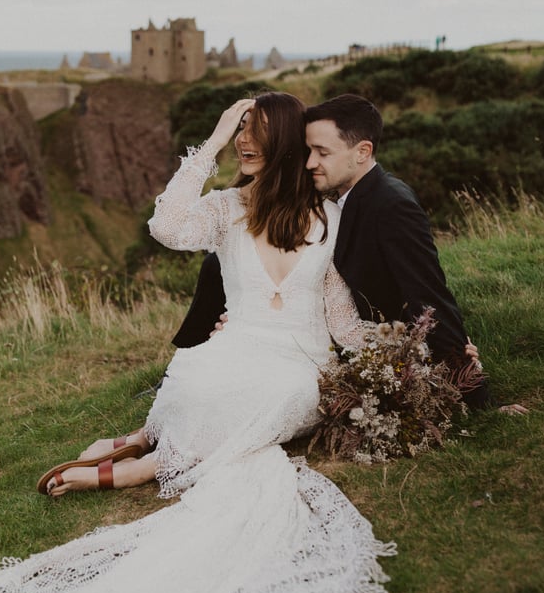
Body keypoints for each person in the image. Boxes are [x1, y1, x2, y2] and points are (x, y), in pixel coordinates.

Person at [0, 92, 395, 593]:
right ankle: (134, 454)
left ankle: (127, 459)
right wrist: (216, 139)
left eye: (253, 131)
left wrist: (402, 362)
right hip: (256, 360)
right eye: (238, 130)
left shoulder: (297, 215)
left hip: (258, 365)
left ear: (279, 142)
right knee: (222, 405)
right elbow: (175, 233)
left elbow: (334, 318)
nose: (244, 139)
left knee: (225, 399)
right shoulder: (246, 212)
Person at [172, 94, 494, 408]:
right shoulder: (334, 195)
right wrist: (251, 320)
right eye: (308, 150)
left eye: (322, 153)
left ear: (362, 152)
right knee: (219, 263)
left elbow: (429, 296)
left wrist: (460, 372)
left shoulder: (391, 206)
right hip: (275, 336)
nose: (310, 162)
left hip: (334, 343)